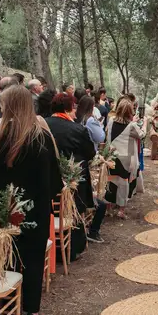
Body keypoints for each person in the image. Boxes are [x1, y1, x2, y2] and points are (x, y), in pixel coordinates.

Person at [0, 86, 63, 315]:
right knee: (33, 257)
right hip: (36, 209)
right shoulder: (41, 138)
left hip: (4, 208)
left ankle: (7, 301)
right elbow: (54, 180)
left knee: (7, 253)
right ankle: (31, 310)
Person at [45, 92, 100, 248]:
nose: (76, 110)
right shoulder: (77, 129)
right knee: (75, 211)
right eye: (74, 107)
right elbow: (90, 153)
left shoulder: (43, 124)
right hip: (74, 180)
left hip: (50, 177)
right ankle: (74, 248)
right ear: (68, 108)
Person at [105, 97, 144, 219]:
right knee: (123, 184)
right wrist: (145, 123)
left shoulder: (111, 120)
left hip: (111, 156)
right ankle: (121, 210)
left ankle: (109, 208)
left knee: (110, 182)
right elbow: (141, 135)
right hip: (125, 159)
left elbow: (108, 133)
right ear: (129, 112)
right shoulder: (132, 125)